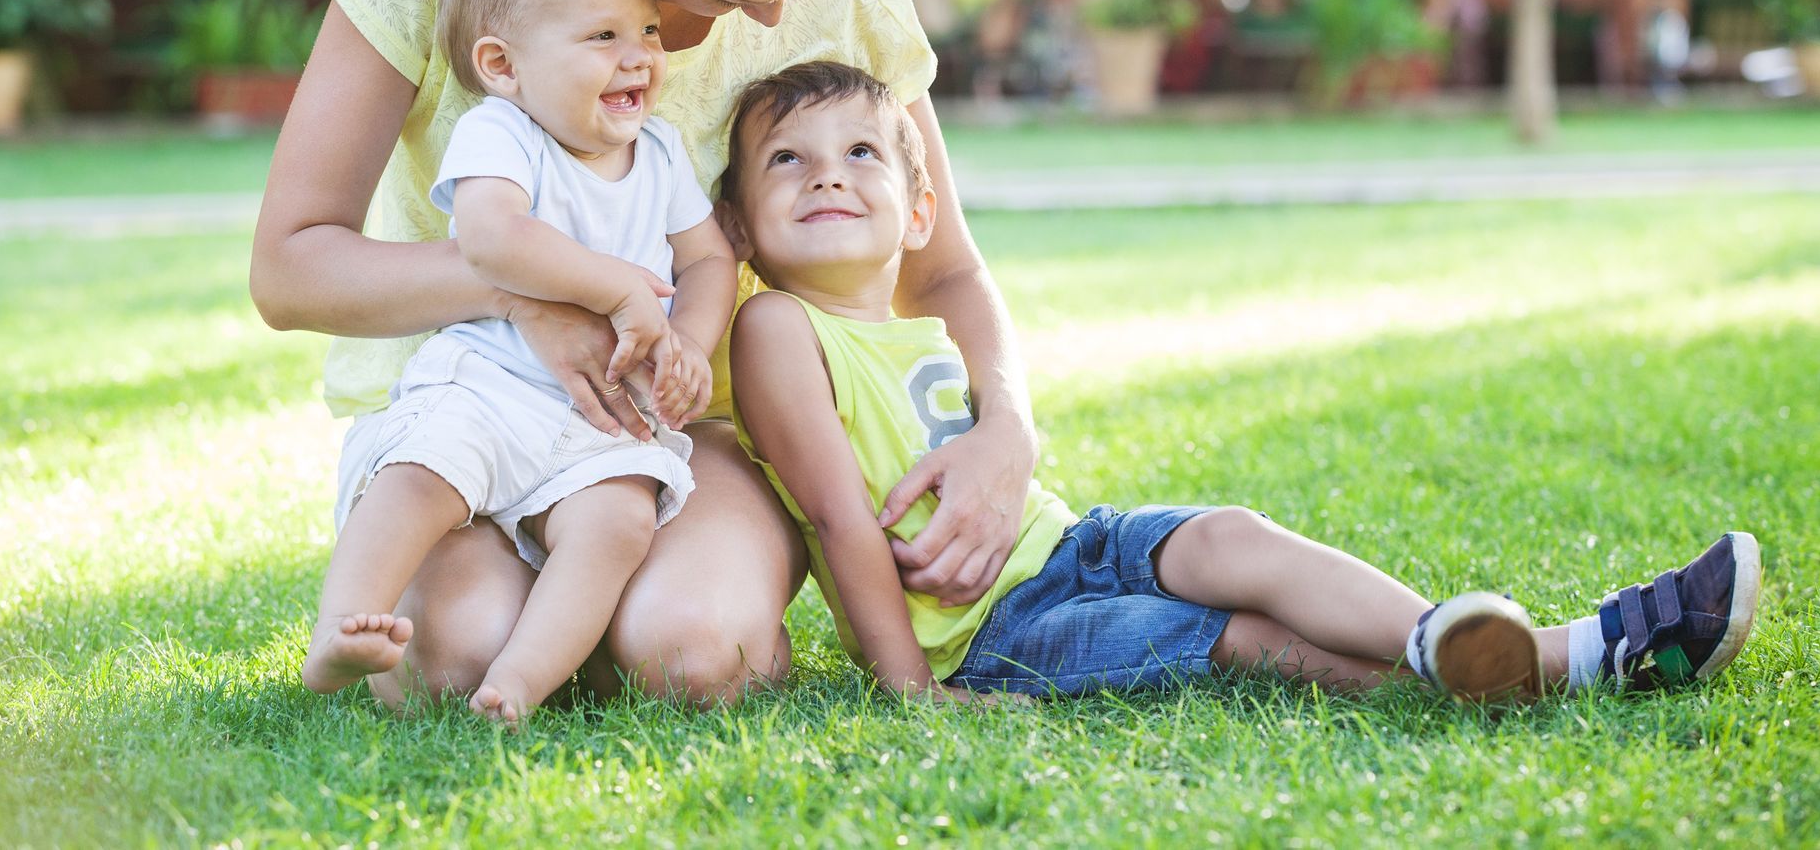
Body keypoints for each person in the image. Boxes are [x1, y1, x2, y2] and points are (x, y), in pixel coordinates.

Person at [250, 0, 1040, 708]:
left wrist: (1007, 429)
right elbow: (291, 268)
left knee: (691, 652)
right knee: (456, 662)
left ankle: (658, 601)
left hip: (686, 432)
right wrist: (533, 296)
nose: (770, 26)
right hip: (468, 403)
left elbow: (941, 269)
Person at [719, 62, 1763, 701]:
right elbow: (840, 523)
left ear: (916, 210)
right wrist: (913, 690)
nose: (827, 173)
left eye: (862, 149)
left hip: (1072, 542)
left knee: (1232, 533)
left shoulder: (922, 321)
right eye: (787, 160)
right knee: (1244, 642)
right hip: (993, 631)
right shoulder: (776, 326)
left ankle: (1447, 633)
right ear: (737, 224)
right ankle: (1568, 658)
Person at [301, 0, 734, 722]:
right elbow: (490, 240)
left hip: (602, 418)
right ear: (502, 65)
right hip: (487, 388)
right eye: (602, 37)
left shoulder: (661, 152)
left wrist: (689, 340)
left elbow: (710, 257)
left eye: (646, 30)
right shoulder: (502, 134)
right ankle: (341, 624)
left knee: (617, 522)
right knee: (420, 478)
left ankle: (521, 684)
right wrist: (616, 289)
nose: (639, 56)